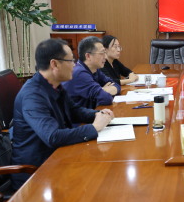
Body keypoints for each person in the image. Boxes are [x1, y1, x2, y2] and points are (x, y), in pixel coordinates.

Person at [11, 38, 114, 190]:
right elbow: (53, 137)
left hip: (58, 157)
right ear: (54, 64)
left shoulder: (55, 85)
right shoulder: (32, 96)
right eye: (70, 61)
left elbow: (75, 111)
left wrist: (99, 114)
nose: (74, 65)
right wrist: (94, 128)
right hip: (36, 175)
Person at [63, 36, 121, 109]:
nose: (105, 57)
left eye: (105, 52)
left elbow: (117, 85)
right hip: (76, 115)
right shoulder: (79, 73)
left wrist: (102, 90)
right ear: (88, 56)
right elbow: (106, 98)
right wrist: (102, 90)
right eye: (102, 53)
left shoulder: (95, 69)